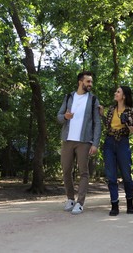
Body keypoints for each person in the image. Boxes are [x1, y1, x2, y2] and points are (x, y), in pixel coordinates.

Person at [57, 71, 102, 215]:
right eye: (88, 81)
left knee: (84, 172)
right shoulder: (69, 97)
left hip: (84, 141)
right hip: (68, 140)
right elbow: (58, 117)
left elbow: (97, 123)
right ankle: (70, 199)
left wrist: (95, 143)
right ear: (80, 82)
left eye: (91, 82)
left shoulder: (94, 100)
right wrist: (65, 116)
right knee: (66, 171)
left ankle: (80, 203)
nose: (90, 84)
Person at [100, 86, 133, 216]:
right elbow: (107, 126)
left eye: (118, 92)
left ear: (124, 96)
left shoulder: (131, 111)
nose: (115, 93)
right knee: (111, 176)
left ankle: (129, 203)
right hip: (109, 142)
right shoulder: (111, 109)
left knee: (126, 175)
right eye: (116, 91)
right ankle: (114, 205)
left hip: (123, 142)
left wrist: (128, 122)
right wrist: (102, 115)